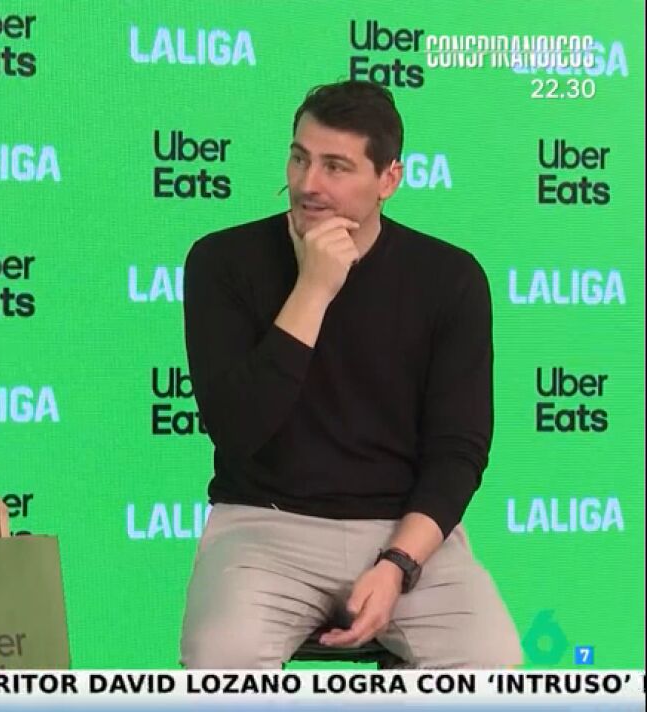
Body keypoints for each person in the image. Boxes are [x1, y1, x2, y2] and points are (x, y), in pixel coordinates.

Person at [179, 80, 521, 669]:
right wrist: (313, 288)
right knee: (220, 663)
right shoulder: (222, 261)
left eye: (335, 167)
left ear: (389, 179)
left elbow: (458, 451)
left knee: (491, 666)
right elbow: (236, 428)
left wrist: (399, 564)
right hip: (264, 526)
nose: (308, 183)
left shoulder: (450, 278)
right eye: (299, 158)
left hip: (404, 533)